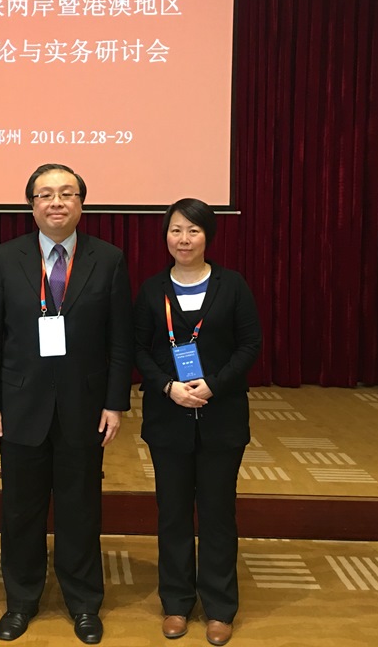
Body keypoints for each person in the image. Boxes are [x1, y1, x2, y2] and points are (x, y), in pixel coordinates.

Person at [0, 163, 133, 645]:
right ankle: (21, 601)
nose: (56, 202)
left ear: (82, 203)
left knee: (80, 509)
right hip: (20, 407)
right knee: (20, 511)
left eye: (67, 193)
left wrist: (115, 403)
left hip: (84, 407)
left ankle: (83, 602)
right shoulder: (4, 258)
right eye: (46, 194)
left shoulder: (108, 258)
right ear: (31, 205)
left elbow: (120, 340)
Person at [133, 198, 262, 646]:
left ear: (208, 236)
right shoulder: (151, 289)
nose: (183, 239)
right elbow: (139, 349)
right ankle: (176, 602)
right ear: (165, 236)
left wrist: (214, 386)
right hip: (168, 418)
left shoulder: (233, 285)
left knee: (217, 513)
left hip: (221, 417)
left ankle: (220, 607)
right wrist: (168, 386)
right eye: (176, 230)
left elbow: (250, 345)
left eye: (193, 230)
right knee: (172, 513)